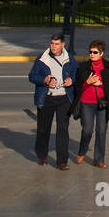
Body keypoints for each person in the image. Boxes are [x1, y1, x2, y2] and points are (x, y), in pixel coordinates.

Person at [29, 32, 77, 168]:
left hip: (64, 98)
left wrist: (71, 80)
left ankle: (62, 161)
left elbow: (75, 74)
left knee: (63, 129)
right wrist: (44, 80)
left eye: (57, 44)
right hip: (47, 98)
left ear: (63, 45)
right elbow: (32, 76)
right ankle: (42, 155)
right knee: (43, 129)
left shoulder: (70, 59)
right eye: (52, 43)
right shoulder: (42, 58)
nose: (53, 46)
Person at [73, 39, 109, 167]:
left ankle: (99, 159)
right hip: (86, 103)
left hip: (102, 103)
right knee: (87, 130)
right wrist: (88, 82)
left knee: (101, 131)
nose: (92, 54)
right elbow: (77, 86)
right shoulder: (84, 67)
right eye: (90, 52)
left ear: (101, 53)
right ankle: (82, 151)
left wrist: (102, 84)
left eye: (95, 52)